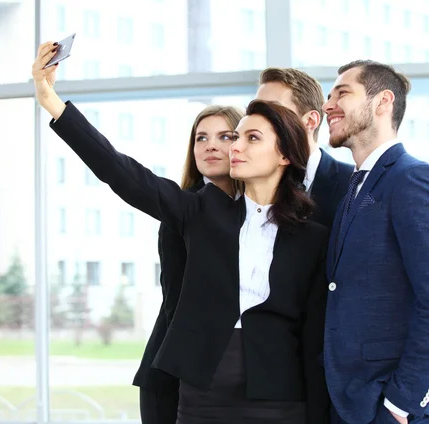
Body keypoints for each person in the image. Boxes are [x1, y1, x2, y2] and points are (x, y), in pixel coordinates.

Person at [32, 41, 330, 424]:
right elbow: (120, 171)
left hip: (280, 395)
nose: (234, 147)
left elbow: (314, 337)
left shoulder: (313, 237)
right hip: (203, 390)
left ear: (285, 155)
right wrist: (52, 101)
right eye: (235, 137)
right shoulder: (200, 210)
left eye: (250, 138)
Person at [322, 59, 429, 424]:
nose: (328, 105)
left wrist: (401, 402)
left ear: (382, 101)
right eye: (328, 96)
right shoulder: (353, 191)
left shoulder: (414, 179)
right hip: (354, 403)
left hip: (400, 410)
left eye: (342, 93)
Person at [132, 105, 244, 424]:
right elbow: (174, 301)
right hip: (174, 376)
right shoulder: (182, 212)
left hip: (235, 377)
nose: (210, 145)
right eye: (201, 138)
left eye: (225, 136)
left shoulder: (260, 213)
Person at [255, 68, 354, 228]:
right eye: (255, 112)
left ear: (310, 121)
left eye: (272, 111)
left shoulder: (353, 184)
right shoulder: (251, 183)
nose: (258, 122)